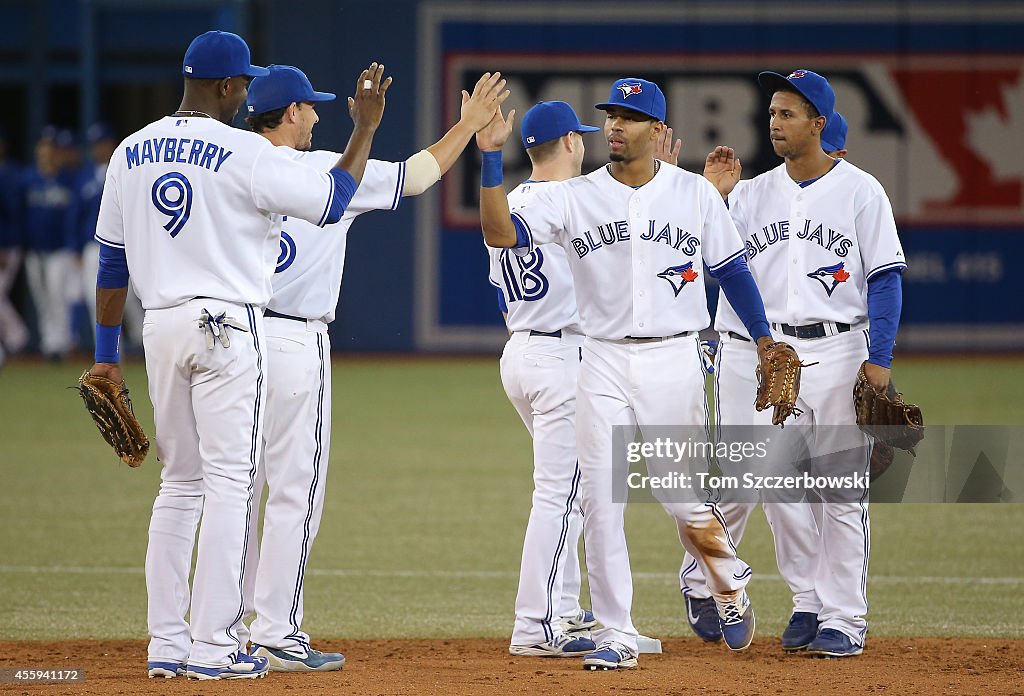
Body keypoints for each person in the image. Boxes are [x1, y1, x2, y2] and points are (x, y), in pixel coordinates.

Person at [88, 30, 387, 680]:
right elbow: (333, 201)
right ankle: (216, 648)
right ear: (226, 88)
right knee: (230, 484)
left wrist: (106, 354)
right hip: (227, 324)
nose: (248, 91)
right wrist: (364, 130)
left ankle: (167, 645)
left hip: (159, 325)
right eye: (243, 82)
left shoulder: (130, 151)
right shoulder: (243, 151)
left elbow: (112, 261)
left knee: (179, 484)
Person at [478, 77, 780, 670]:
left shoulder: (693, 194)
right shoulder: (573, 196)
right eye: (612, 114)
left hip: (674, 358)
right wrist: (490, 157)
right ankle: (616, 632)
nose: (617, 125)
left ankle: (726, 578)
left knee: (679, 493)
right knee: (599, 499)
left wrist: (766, 341)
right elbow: (498, 232)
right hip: (601, 357)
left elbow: (734, 271)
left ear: (659, 131)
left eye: (632, 117)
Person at [236, 65, 508, 672]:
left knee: (232, 491)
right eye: (309, 107)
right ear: (287, 113)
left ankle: (214, 631)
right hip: (293, 344)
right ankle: (277, 632)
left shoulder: (228, 168)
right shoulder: (323, 172)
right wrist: (466, 125)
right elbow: (416, 176)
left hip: (233, 338)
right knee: (292, 494)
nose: (316, 115)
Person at [686, 70, 905, 658]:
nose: (774, 122)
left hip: (838, 350)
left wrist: (877, 362)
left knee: (836, 490)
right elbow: (711, 265)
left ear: (819, 123)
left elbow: (885, 281)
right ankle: (807, 599)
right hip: (769, 354)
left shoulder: (863, 192)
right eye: (773, 112)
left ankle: (845, 618)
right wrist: (717, 196)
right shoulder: (752, 194)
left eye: (787, 113)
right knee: (778, 487)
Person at [679, 109, 851, 644]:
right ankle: (703, 579)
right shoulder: (750, 195)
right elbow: (700, 262)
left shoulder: (850, 197)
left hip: (807, 356)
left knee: (787, 482)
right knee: (738, 483)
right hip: (743, 354)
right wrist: (717, 198)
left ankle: (811, 602)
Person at [488, 101, 600, 659]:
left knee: (572, 492)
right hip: (562, 358)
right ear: (572, 143)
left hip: (523, 352)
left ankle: (561, 609)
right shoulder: (569, 200)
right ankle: (534, 624)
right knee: (560, 493)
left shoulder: (509, 202)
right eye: (581, 137)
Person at [67, 123, 144, 350]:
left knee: (130, 296)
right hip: (93, 244)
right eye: (95, 145)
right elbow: (75, 215)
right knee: (97, 298)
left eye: (101, 144)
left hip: (124, 243)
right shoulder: (85, 177)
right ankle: (108, 349)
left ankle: (141, 340)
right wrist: (75, 247)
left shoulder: (125, 169)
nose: (97, 149)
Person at [22, 126, 75, 361]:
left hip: (59, 249)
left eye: (50, 148)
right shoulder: (29, 179)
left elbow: (72, 217)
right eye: (43, 148)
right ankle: (48, 343)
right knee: (41, 298)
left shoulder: (67, 179)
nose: (46, 152)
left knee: (57, 295)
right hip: (35, 250)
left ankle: (59, 345)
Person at [0, 127, 29, 364]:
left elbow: (12, 215)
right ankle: (16, 338)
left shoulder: (10, 174)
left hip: (7, 246)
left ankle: (18, 338)